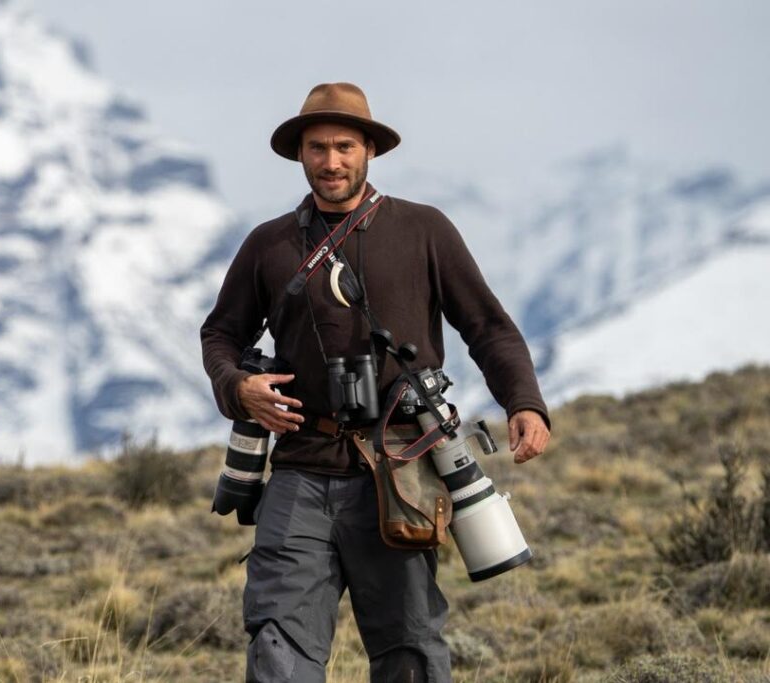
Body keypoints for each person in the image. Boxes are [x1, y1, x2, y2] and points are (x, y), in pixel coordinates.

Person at [200, 82, 551, 683]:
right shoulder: (268, 244)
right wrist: (238, 388)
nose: (331, 161)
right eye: (317, 148)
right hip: (299, 470)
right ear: (300, 154)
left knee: (409, 649)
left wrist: (525, 402)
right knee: (278, 642)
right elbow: (220, 335)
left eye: (344, 146)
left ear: (369, 151)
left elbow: (488, 326)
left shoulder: (424, 230)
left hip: (400, 471)